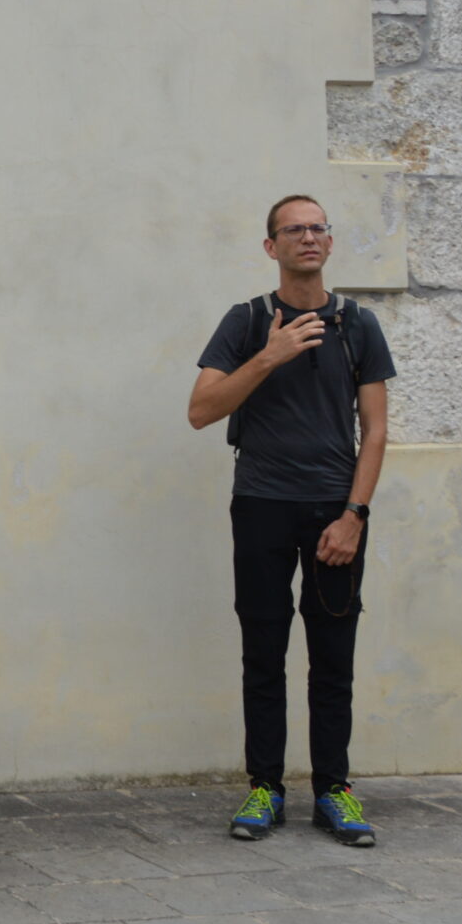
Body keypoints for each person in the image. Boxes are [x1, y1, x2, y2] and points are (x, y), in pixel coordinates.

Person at [188, 195, 395, 846]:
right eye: (293, 229)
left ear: (329, 242)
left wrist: (354, 515)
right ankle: (265, 788)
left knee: (333, 659)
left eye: (317, 228)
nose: (307, 237)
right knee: (263, 653)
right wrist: (269, 356)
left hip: (336, 511)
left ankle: (334, 790)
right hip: (261, 506)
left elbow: (376, 430)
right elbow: (201, 410)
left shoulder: (358, 324)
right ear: (271, 246)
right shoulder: (248, 320)